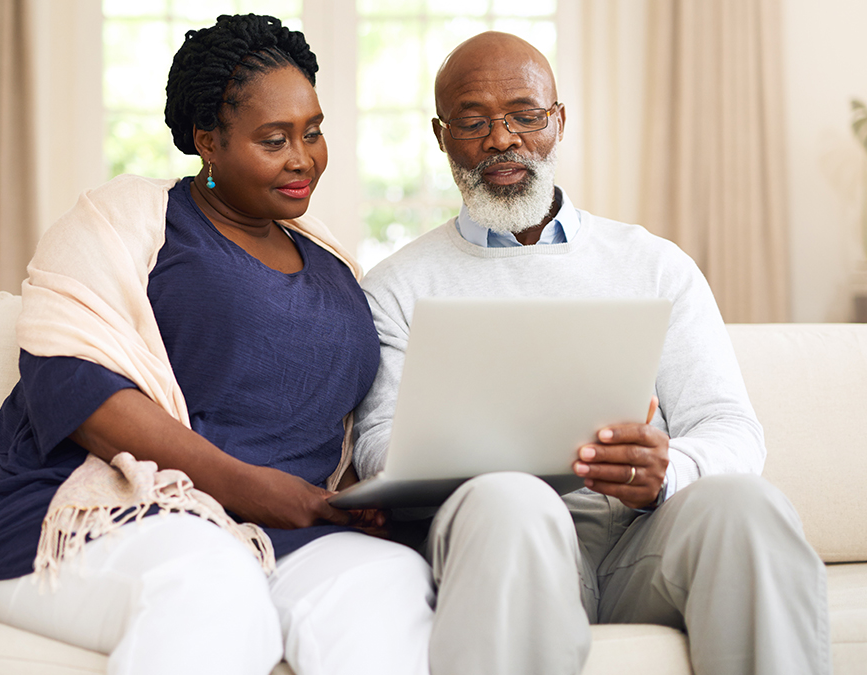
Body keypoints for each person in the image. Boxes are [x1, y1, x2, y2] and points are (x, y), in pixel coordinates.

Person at [0, 14, 434, 675]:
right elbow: (73, 383)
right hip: (92, 518)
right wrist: (250, 487)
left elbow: (328, 429)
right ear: (209, 140)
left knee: (387, 578)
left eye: (312, 132)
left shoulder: (333, 267)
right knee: (212, 582)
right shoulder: (130, 220)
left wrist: (357, 495)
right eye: (273, 138)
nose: (302, 157)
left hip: (280, 533)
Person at [352, 31, 830, 675]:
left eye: (524, 115)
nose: (501, 139)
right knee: (510, 500)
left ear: (559, 122)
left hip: (643, 542)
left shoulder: (654, 264)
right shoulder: (396, 285)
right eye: (473, 121)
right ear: (441, 137)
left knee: (749, 505)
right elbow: (376, 443)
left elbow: (731, 427)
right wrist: (487, 456)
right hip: (503, 536)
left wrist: (666, 473)